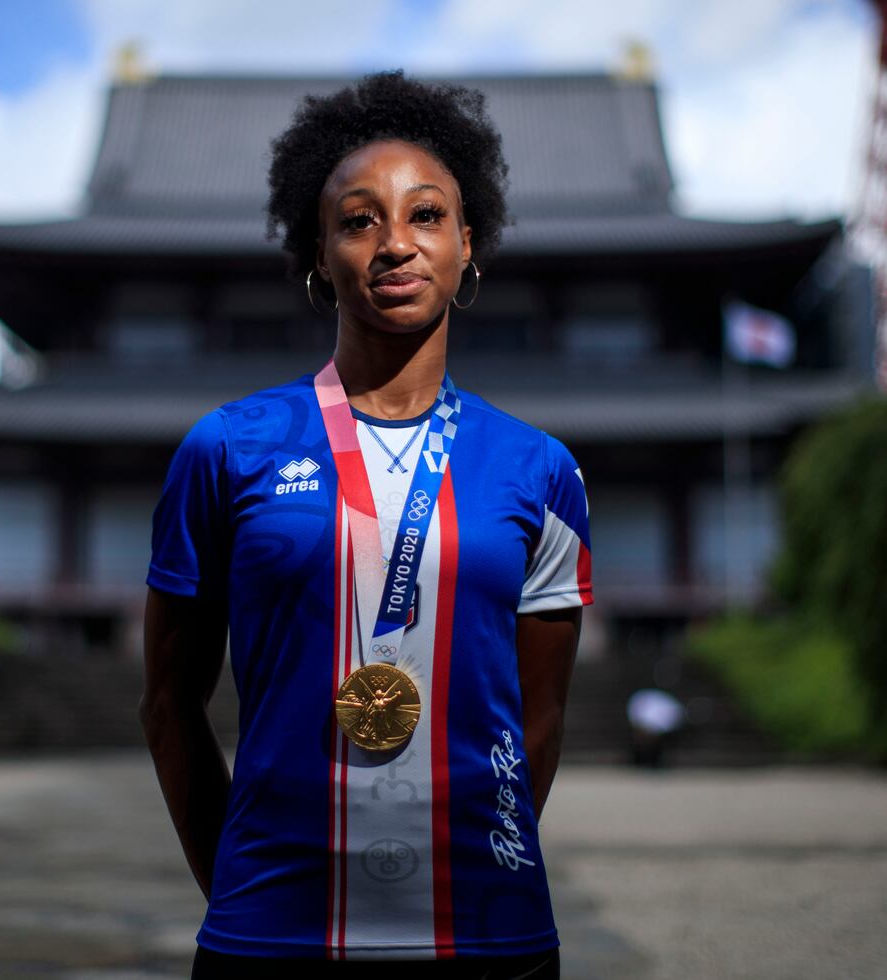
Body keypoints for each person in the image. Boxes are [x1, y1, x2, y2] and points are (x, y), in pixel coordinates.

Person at [141, 71, 593, 980]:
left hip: (489, 935)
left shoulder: (541, 472)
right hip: (271, 931)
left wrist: (486, 860)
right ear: (319, 253)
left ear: (470, 244)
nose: (395, 244)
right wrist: (233, 880)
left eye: (426, 215)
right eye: (358, 220)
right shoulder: (228, 449)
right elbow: (168, 702)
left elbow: (539, 720)